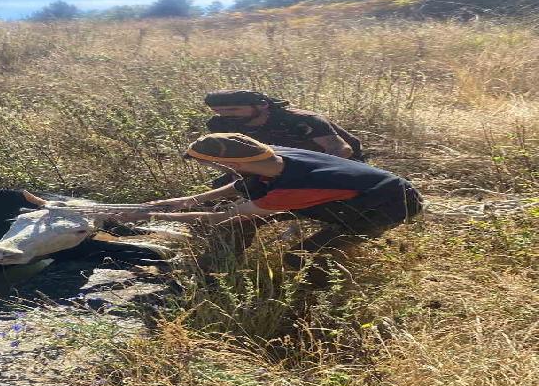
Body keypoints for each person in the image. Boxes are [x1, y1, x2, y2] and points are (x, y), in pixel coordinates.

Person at [116, 133, 422, 285]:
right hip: (337, 194)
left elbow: (227, 213)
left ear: (231, 163)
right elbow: (243, 185)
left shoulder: (294, 188)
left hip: (385, 204)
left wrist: (153, 215)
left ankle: (314, 297)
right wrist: (189, 200)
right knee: (235, 228)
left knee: (301, 254)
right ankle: (219, 273)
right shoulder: (272, 156)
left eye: (217, 164)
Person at [205, 90, 364, 161]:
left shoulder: (300, 120)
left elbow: (342, 150)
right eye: (219, 111)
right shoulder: (221, 125)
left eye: (234, 109)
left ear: (262, 106)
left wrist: (305, 173)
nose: (226, 114)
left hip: (335, 162)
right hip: (278, 164)